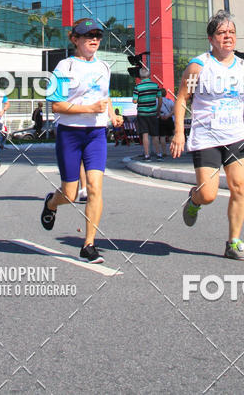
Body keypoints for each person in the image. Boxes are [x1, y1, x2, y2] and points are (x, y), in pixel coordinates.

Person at [171, 11, 244, 260]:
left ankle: (233, 242)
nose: (227, 36)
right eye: (222, 33)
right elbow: (182, 99)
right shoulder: (198, 67)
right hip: (206, 138)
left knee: (240, 188)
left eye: (231, 32)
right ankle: (195, 200)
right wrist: (179, 132)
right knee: (208, 194)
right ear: (211, 38)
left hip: (236, 136)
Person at [40, 18, 123, 263]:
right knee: (70, 193)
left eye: (98, 35)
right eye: (88, 36)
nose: (94, 40)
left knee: (95, 189)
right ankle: (52, 204)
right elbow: (56, 105)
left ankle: (88, 245)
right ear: (75, 39)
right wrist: (89, 109)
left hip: (96, 134)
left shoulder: (104, 67)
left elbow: (104, 97)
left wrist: (112, 114)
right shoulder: (64, 68)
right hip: (70, 133)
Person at [133, 75, 163, 160]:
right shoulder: (155, 85)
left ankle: (147, 155)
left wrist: (141, 99)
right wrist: (158, 110)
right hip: (153, 113)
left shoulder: (138, 87)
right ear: (148, 75)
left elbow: (134, 101)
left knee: (145, 134)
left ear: (140, 76)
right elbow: (160, 99)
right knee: (155, 135)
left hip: (142, 114)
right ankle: (158, 154)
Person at [158, 91, 175, 157]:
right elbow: (173, 110)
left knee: (162, 136)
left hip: (161, 119)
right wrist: (168, 115)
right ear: (165, 94)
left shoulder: (157, 101)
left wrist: (160, 115)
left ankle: (164, 152)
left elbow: (157, 110)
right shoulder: (170, 101)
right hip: (169, 119)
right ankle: (172, 151)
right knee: (171, 135)